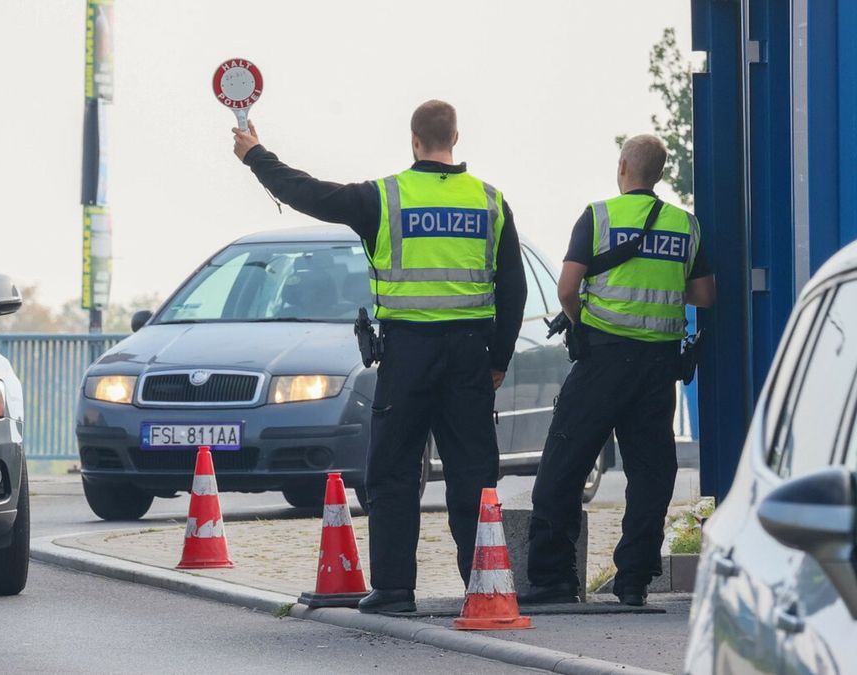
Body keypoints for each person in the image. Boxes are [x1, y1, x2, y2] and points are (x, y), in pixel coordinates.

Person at [232, 100, 527, 614]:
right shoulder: (490, 202)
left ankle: (393, 590)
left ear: (414, 141)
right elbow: (514, 289)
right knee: (473, 475)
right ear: (455, 138)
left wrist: (256, 154)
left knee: (392, 472)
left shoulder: (385, 198)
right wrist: (497, 358)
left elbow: (306, 192)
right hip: (468, 355)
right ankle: (484, 586)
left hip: (408, 355)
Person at [521, 135, 717, 607]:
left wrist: (581, 323)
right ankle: (633, 581)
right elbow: (705, 295)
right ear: (661, 173)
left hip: (603, 361)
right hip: (657, 369)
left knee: (564, 465)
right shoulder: (684, 225)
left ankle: (553, 579)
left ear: (624, 166)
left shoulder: (598, 217)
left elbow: (568, 288)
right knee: (651, 474)